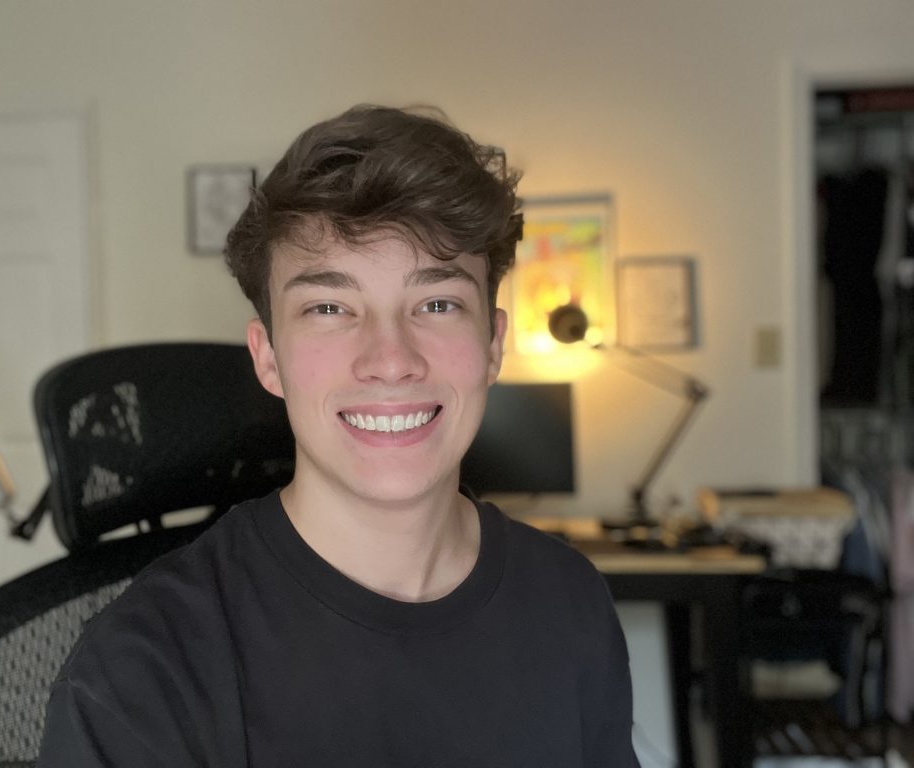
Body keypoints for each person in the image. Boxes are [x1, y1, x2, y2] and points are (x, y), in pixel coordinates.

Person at [38, 104, 640, 767]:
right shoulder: (143, 668)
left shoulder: (569, 599)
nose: (389, 357)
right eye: (330, 308)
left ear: (492, 346)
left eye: (437, 304)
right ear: (268, 358)